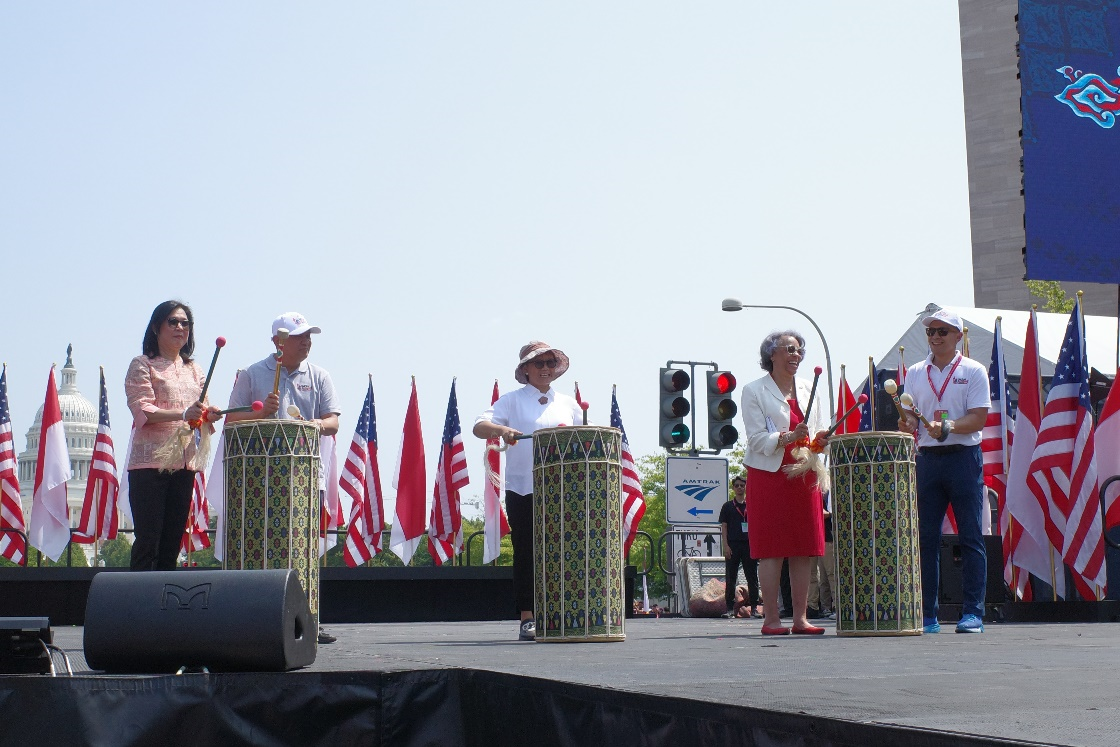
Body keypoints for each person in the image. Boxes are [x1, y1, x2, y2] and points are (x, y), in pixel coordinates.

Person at [226, 311, 341, 644]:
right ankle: (253, 618)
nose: (307, 341)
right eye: (299, 336)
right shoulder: (251, 374)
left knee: (303, 548)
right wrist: (260, 412)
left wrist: (312, 425)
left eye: (309, 336)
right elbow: (232, 420)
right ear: (278, 341)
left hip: (305, 476)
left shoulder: (319, 376)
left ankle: (306, 621)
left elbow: (333, 421)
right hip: (258, 481)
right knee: (261, 545)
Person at [473, 341, 583, 641]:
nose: (545, 368)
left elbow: (583, 442)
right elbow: (479, 426)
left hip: (563, 489)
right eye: (539, 363)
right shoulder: (511, 401)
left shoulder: (569, 404)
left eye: (550, 363)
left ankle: (563, 612)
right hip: (523, 486)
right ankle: (527, 616)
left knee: (563, 551)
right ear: (525, 370)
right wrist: (502, 431)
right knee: (527, 552)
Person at [898, 309, 990, 634]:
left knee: (970, 536)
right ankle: (927, 614)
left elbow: (979, 419)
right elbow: (910, 418)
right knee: (925, 539)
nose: (935, 337)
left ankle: (973, 613)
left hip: (964, 458)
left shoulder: (974, 371)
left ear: (958, 335)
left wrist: (948, 426)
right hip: (928, 460)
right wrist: (907, 422)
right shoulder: (914, 373)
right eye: (931, 332)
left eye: (943, 331)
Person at [739, 330, 830, 635]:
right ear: (771, 354)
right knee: (773, 549)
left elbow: (818, 430)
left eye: (799, 351)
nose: (796, 356)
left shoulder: (809, 388)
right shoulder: (754, 390)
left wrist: (820, 440)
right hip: (769, 475)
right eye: (789, 350)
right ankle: (772, 620)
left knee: (803, 548)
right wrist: (788, 437)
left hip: (804, 473)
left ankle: (801, 618)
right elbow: (755, 440)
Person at [124, 300, 222, 571]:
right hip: (149, 464)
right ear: (157, 327)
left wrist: (208, 415)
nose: (180, 327)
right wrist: (183, 413)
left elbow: (198, 412)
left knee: (171, 544)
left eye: (185, 323)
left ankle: (164, 607)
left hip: (185, 463)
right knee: (148, 541)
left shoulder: (195, 370)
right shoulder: (142, 364)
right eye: (173, 321)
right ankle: (138, 607)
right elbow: (142, 409)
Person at [719, 475, 761, 618]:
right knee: (731, 577)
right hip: (733, 545)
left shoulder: (752, 504)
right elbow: (723, 527)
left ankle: (754, 607)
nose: (739, 488)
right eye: (736, 485)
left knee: (752, 577)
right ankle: (730, 608)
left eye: (742, 485)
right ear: (733, 487)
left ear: (746, 487)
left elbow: (757, 525)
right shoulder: (727, 506)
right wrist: (726, 545)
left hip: (749, 545)